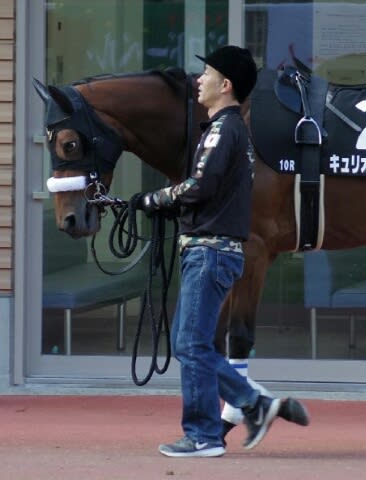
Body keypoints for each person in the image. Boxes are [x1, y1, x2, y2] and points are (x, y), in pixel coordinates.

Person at [138, 45, 306, 458]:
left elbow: (199, 187)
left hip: (209, 253)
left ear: (225, 85)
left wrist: (153, 200)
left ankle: (204, 436)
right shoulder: (228, 129)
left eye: (207, 74)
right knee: (192, 344)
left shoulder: (223, 129)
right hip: (214, 252)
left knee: (192, 346)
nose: (199, 81)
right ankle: (255, 404)